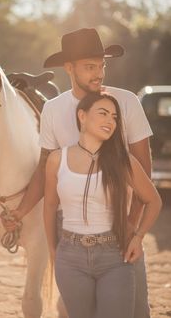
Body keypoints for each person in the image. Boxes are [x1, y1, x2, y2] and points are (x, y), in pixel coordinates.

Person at [1, 28, 154, 317]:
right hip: (71, 231)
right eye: (89, 67)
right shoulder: (53, 110)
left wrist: (133, 226)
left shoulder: (127, 103)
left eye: (101, 66)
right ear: (68, 68)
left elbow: (142, 167)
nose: (98, 74)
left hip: (121, 227)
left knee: (135, 310)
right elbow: (44, 171)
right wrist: (19, 212)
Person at [44, 91, 162, 318]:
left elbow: (153, 200)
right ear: (82, 116)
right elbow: (49, 206)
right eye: (103, 113)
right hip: (70, 256)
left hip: (114, 256)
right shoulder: (56, 160)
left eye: (115, 117)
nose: (110, 120)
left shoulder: (122, 160)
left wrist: (138, 236)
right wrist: (53, 250)